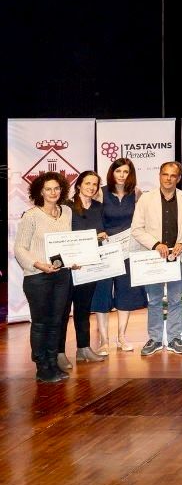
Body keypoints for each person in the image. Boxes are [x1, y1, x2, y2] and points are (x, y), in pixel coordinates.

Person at [14, 171, 75, 382]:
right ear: (40, 191)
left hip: (61, 276)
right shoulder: (31, 216)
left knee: (57, 320)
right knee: (41, 323)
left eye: (57, 188)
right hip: (38, 277)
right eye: (48, 189)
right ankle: (41, 367)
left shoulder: (66, 211)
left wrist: (73, 260)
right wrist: (39, 264)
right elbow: (20, 249)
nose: (53, 192)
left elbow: (69, 244)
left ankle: (52, 362)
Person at [130, 161, 182, 356]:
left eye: (173, 175)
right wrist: (156, 244)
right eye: (165, 174)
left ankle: (175, 338)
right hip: (153, 258)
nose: (168, 178)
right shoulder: (146, 199)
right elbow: (136, 229)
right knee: (154, 300)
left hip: (178, 257)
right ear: (159, 175)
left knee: (176, 300)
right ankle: (156, 339)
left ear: (179, 178)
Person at [91, 157, 145, 353]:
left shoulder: (137, 193)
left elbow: (140, 222)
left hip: (128, 251)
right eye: (118, 171)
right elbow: (92, 218)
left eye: (126, 172)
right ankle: (104, 340)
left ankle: (122, 337)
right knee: (102, 294)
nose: (122, 175)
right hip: (105, 250)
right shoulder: (100, 193)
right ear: (111, 173)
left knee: (126, 293)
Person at [63, 171, 107, 364]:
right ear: (79, 185)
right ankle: (59, 353)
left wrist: (104, 235)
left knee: (83, 310)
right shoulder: (66, 207)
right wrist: (92, 238)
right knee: (63, 311)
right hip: (69, 268)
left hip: (89, 267)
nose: (91, 187)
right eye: (87, 183)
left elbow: (102, 230)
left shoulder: (98, 207)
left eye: (95, 184)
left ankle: (84, 349)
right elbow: (64, 236)